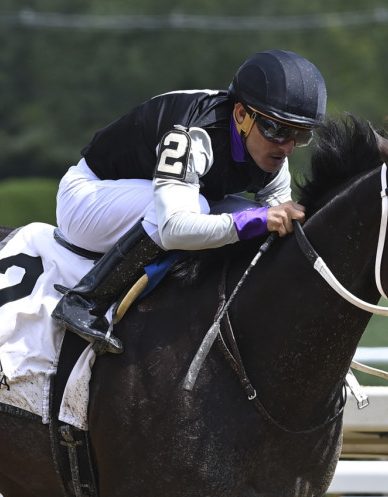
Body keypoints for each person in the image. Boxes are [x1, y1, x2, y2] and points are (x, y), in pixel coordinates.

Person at [53, 49, 327, 356]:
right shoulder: (192, 135)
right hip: (86, 200)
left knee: (256, 218)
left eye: (300, 135)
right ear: (241, 115)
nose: (288, 148)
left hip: (141, 198)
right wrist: (259, 220)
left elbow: (281, 224)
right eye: (278, 130)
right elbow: (174, 228)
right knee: (212, 210)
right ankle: (85, 300)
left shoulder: (272, 151)